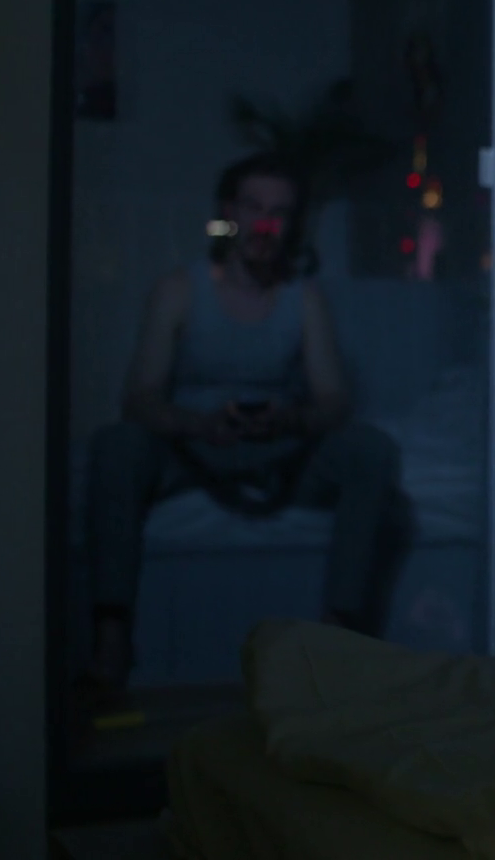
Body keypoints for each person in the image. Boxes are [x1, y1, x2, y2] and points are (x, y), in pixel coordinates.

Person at [82, 152, 417, 692]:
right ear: (228, 213)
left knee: (371, 449)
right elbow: (139, 399)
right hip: (193, 447)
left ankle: (338, 634)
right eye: (254, 207)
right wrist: (200, 424)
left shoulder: (303, 299)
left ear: (292, 224)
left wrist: (288, 420)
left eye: (279, 213)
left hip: (277, 450)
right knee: (116, 446)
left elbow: (334, 401)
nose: (265, 224)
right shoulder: (180, 289)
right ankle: (111, 636)